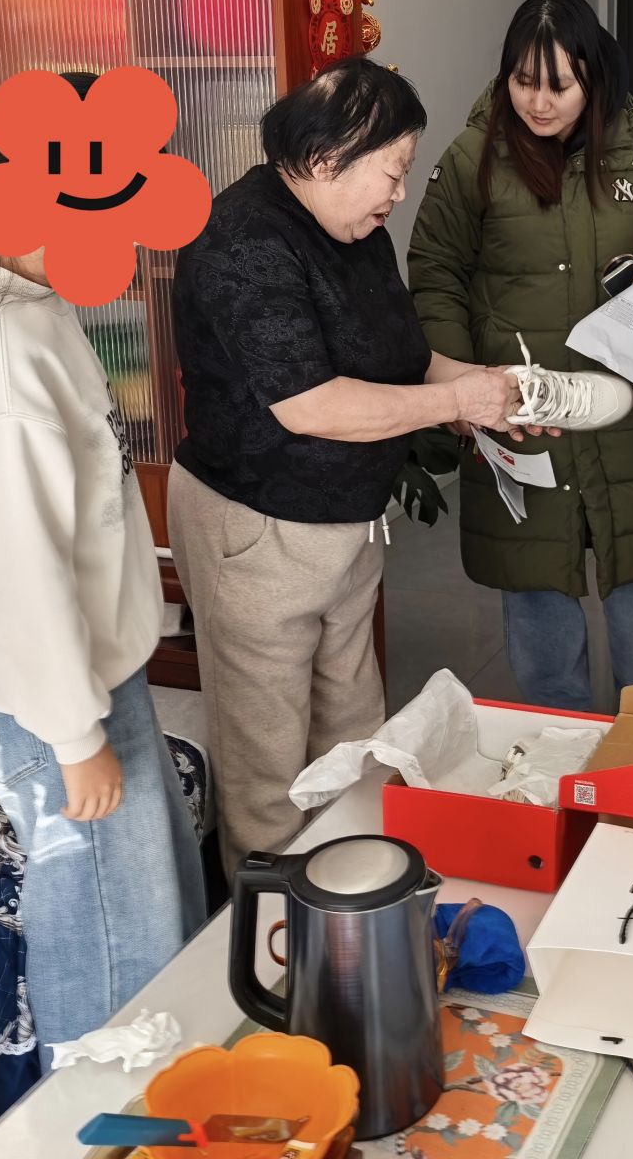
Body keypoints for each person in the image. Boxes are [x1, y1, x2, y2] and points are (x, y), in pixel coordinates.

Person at [169, 59, 525, 871]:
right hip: (258, 532)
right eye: (393, 171)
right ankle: (274, 927)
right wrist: (456, 402)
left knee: (355, 733)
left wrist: (485, 388)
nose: (399, 193)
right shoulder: (243, 240)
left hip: (347, 526)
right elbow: (311, 405)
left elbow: (403, 358)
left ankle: (354, 895)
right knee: (267, 761)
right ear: (328, 158)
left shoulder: (355, 230)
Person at [0, 173, 206, 1056]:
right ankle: (96, 1106)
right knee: (109, 921)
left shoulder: (34, 300)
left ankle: (174, 1077)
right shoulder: (2, 360)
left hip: (87, 660)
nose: (125, 246)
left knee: (155, 887)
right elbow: (13, 571)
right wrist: (74, 736)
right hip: (44, 684)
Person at [407, 0, 633, 712]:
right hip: (520, 412)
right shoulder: (473, 158)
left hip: (621, 410)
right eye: (523, 81)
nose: (538, 103)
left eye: (559, 86)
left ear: (594, 79)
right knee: (537, 591)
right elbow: (434, 273)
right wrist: (457, 383)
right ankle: (561, 751)